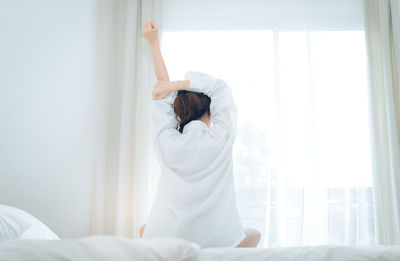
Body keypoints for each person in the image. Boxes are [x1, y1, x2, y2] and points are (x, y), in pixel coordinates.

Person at [140, 20, 261, 248]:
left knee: (145, 230)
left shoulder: (168, 142)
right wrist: (174, 84)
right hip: (216, 241)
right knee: (254, 234)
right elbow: (220, 88)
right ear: (211, 110)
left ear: (178, 114)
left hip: (169, 239)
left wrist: (153, 44)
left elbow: (161, 93)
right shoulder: (221, 140)